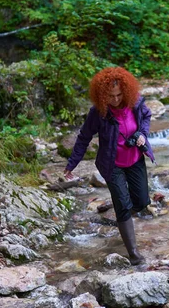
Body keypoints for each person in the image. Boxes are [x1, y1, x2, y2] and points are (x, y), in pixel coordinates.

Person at [64, 67, 155, 265]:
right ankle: (134, 254)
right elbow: (84, 137)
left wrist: (141, 134)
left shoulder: (136, 104)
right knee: (123, 204)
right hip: (112, 164)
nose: (115, 99)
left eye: (119, 95)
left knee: (141, 202)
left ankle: (124, 212)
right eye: (111, 96)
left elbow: (146, 118)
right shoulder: (99, 113)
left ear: (127, 91)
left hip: (135, 159)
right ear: (103, 95)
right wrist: (72, 164)